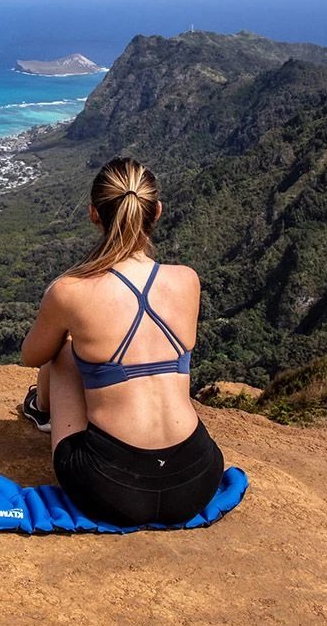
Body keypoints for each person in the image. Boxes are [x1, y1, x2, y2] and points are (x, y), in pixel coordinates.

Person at [20, 156, 224, 527]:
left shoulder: (70, 291)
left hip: (111, 490)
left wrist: (74, 332)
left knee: (64, 351)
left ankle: (40, 410)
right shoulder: (187, 280)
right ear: (156, 211)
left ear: (93, 214)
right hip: (196, 481)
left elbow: (32, 355)